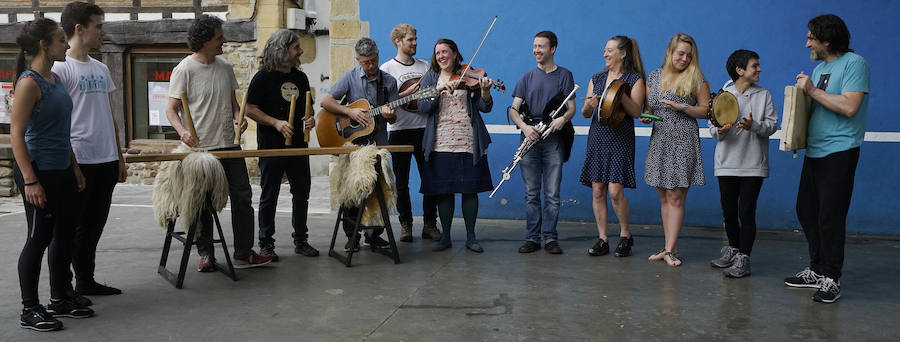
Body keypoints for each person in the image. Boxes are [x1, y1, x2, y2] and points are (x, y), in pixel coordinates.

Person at [165, 14, 272, 271]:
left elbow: (235, 106)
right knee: (201, 202)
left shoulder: (225, 67)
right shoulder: (184, 69)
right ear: (204, 41)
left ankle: (244, 252)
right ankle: (206, 254)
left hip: (229, 145)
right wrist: (182, 132)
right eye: (218, 37)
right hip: (201, 149)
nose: (223, 40)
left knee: (243, 197)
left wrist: (239, 120)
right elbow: (171, 109)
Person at [11, 17, 94, 332]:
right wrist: (30, 179)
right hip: (38, 171)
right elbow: (17, 135)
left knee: (64, 235)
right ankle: (29, 308)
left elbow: (63, 131)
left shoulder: (56, 79)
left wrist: (74, 168)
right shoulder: (29, 83)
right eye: (62, 40)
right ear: (44, 45)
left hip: (62, 169)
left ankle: (60, 298)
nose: (67, 44)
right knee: (38, 239)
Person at [783, 14, 869, 303]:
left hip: (840, 150)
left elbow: (849, 107)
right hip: (815, 151)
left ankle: (832, 277)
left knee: (831, 216)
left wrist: (812, 90)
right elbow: (814, 106)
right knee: (806, 211)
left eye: (811, 37)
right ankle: (818, 269)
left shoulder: (855, 64)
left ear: (826, 39)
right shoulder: (819, 68)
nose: (807, 42)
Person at [51, 1, 126, 297]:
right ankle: (64, 288)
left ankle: (86, 279)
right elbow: (58, 121)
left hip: (105, 158)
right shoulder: (60, 68)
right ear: (80, 29)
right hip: (79, 159)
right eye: (99, 26)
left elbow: (110, 115)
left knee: (94, 225)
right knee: (71, 227)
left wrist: (119, 156)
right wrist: (71, 163)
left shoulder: (100, 67)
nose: (103, 32)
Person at [245, 29, 319, 261]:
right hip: (271, 144)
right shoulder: (263, 77)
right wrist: (276, 123)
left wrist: (310, 118)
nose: (301, 52)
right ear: (282, 50)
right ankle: (266, 243)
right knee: (270, 194)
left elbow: (309, 107)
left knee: (302, 192)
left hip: (298, 144)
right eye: (296, 48)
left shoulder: (300, 77)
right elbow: (250, 109)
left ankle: (301, 239)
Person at [320, 37, 397, 252]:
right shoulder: (350, 77)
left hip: (378, 146)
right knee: (352, 192)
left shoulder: (389, 82)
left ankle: (374, 235)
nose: (371, 66)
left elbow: (394, 119)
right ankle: (351, 236)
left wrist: (390, 115)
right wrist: (349, 111)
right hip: (352, 146)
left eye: (374, 60)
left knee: (379, 191)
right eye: (366, 62)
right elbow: (325, 101)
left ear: (378, 55)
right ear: (358, 60)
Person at [417, 38, 494, 253]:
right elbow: (422, 107)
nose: (441, 56)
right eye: (438, 53)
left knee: (470, 190)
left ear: (454, 53)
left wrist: (486, 92)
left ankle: (471, 236)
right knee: (444, 191)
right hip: (440, 142)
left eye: (445, 52)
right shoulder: (431, 78)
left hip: (469, 140)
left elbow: (484, 107)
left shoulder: (469, 75)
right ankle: (446, 237)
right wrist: (438, 90)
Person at [707, 49, 778, 278]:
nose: (759, 69)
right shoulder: (722, 95)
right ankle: (733, 250)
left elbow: (772, 126)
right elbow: (712, 127)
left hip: (753, 165)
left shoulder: (764, 95)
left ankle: (744, 258)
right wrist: (720, 130)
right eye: (754, 65)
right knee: (729, 211)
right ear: (740, 70)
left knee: (746, 212)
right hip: (726, 163)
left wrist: (753, 126)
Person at [643, 33, 710, 267]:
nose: (684, 59)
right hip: (660, 140)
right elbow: (647, 107)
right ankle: (668, 246)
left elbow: (705, 111)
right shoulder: (654, 76)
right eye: (680, 53)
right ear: (670, 52)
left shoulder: (697, 79)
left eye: (689, 55)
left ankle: (671, 250)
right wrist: (646, 117)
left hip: (683, 141)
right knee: (664, 196)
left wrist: (681, 106)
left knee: (676, 196)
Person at [508, 31, 575, 255]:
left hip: (553, 139)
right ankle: (532, 238)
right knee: (531, 192)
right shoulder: (526, 78)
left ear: (553, 49)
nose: (537, 50)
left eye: (541, 46)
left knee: (552, 193)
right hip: (530, 139)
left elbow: (571, 107)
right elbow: (513, 109)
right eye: (535, 46)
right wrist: (525, 128)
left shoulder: (565, 75)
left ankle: (550, 238)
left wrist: (562, 120)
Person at [579, 36, 646, 257]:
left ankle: (626, 234)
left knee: (616, 191)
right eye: (605, 50)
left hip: (621, 137)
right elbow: (586, 113)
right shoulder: (596, 78)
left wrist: (618, 93)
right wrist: (589, 105)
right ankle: (603, 238)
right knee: (598, 189)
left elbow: (636, 112)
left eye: (609, 50)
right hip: (598, 135)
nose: (605, 54)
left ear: (623, 53)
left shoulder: (634, 79)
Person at [380, 23, 441, 243]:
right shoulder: (387, 69)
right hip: (399, 131)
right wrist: (404, 93)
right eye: (410, 40)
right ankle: (405, 224)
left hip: (424, 130)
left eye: (415, 39)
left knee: (429, 179)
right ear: (398, 41)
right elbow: (383, 104)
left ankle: (429, 224)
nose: (415, 43)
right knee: (402, 182)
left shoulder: (426, 66)